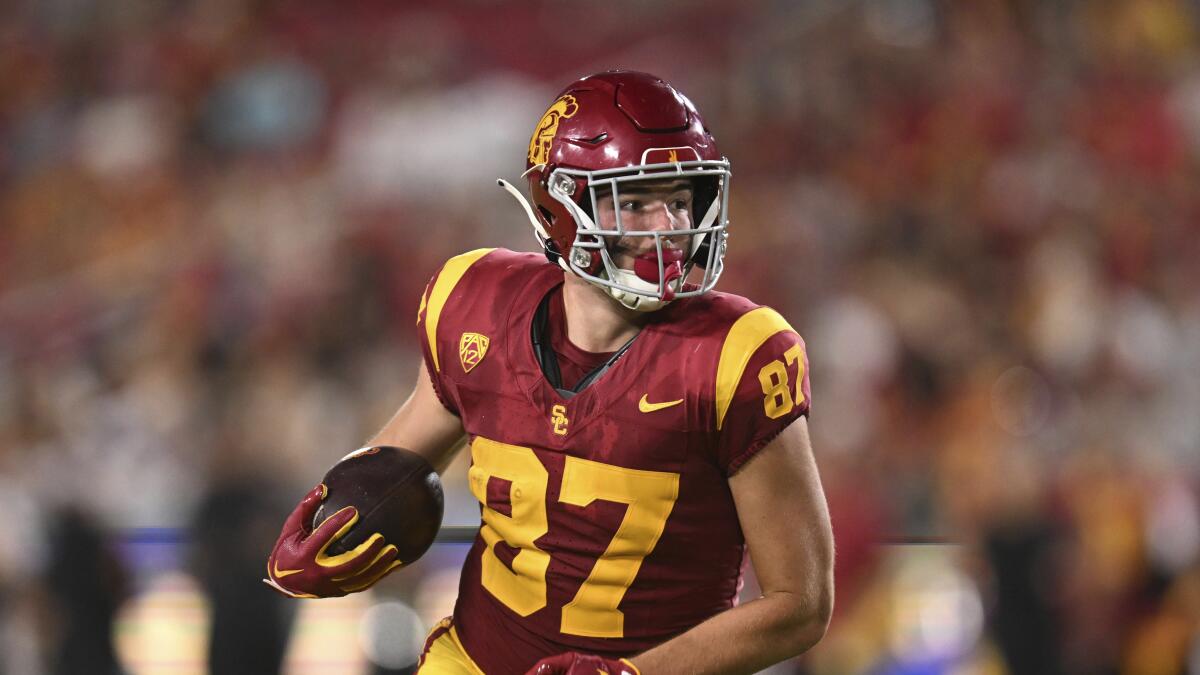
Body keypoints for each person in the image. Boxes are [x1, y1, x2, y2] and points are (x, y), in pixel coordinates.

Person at [265, 70, 834, 674]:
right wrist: (336, 525)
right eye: (635, 201)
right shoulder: (476, 303)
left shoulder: (737, 354)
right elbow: (398, 466)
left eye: (679, 198)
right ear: (559, 206)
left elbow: (801, 603)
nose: (666, 226)